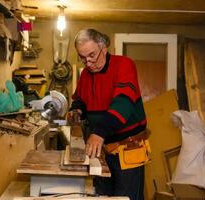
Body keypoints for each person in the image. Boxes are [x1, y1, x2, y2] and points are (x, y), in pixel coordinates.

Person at [69, 28, 147, 200]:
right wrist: (76, 110)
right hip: (101, 151)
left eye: (92, 55)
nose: (88, 63)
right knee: (102, 197)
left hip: (127, 149)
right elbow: (80, 99)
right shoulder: (86, 75)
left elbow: (123, 103)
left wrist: (99, 132)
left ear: (103, 48)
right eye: (82, 57)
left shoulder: (124, 65)